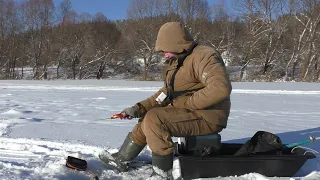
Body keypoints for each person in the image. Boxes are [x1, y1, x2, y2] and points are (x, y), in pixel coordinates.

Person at [99, 21, 232, 179]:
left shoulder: (204, 56)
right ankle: (121, 159)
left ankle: (162, 174)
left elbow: (220, 89)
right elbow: (165, 94)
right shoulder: (176, 62)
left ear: (178, 44)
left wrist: (187, 103)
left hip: (208, 116)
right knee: (147, 118)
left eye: (166, 49)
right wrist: (137, 109)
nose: (165, 54)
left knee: (155, 119)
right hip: (190, 113)